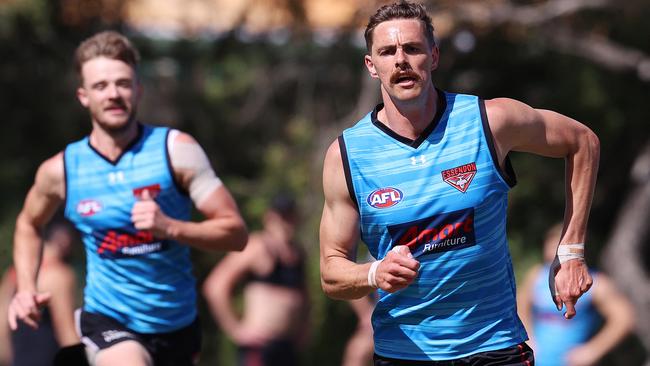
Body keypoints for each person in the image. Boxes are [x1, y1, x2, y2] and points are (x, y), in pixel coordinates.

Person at [319, 1, 600, 364]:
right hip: (406, 354)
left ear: (434, 56)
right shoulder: (347, 155)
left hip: (495, 347)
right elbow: (331, 272)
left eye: (413, 48)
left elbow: (582, 143)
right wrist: (374, 272)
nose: (401, 60)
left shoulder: (490, 121)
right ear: (372, 66)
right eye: (388, 52)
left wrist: (572, 252)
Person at [6, 30, 248, 366]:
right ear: (83, 96)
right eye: (101, 86)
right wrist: (26, 287)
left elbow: (235, 234)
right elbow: (29, 224)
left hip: (177, 325)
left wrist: (172, 227)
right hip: (108, 321)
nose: (113, 94)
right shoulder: (62, 170)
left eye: (122, 83)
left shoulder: (176, 152)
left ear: (138, 89)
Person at [202, 195, 309, 366]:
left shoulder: (297, 253)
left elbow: (305, 297)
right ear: (269, 218)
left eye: (290, 215)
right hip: (260, 347)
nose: (286, 222)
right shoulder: (257, 246)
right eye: (282, 216)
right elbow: (215, 286)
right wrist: (235, 329)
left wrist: (305, 330)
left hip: (288, 348)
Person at [517, 224, 635, 366]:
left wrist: (593, 350)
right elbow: (520, 306)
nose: (552, 250)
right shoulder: (536, 276)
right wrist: (528, 340)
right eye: (550, 243)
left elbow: (624, 318)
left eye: (558, 244)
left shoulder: (594, 283)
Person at [0, 219, 79, 366]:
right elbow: (66, 332)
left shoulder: (12, 274)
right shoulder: (60, 275)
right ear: (65, 240)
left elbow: (2, 326)